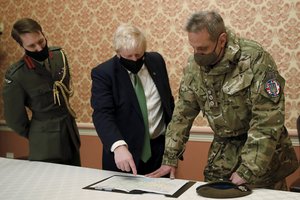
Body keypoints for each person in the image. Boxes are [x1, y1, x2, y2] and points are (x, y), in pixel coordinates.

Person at [147, 11, 298, 190]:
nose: (197, 54)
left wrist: (248, 169)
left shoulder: (255, 60)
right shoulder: (193, 68)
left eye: (202, 49)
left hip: (262, 156)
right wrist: (170, 158)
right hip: (222, 154)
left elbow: (267, 119)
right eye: (193, 47)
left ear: (222, 40)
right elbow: (182, 114)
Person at [91, 24, 174, 175]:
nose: (135, 60)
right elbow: (102, 114)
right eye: (129, 56)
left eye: (139, 54)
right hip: (124, 155)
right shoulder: (104, 74)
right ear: (118, 53)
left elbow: (168, 103)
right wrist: (118, 146)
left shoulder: (156, 61)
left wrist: (172, 150)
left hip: (159, 153)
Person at [2, 18, 81, 166]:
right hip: (45, 145)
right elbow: (14, 119)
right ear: (22, 46)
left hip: (70, 136)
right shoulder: (17, 75)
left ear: (43, 34)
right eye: (31, 46)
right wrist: (37, 133)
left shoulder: (59, 56)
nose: (39, 48)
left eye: (41, 41)